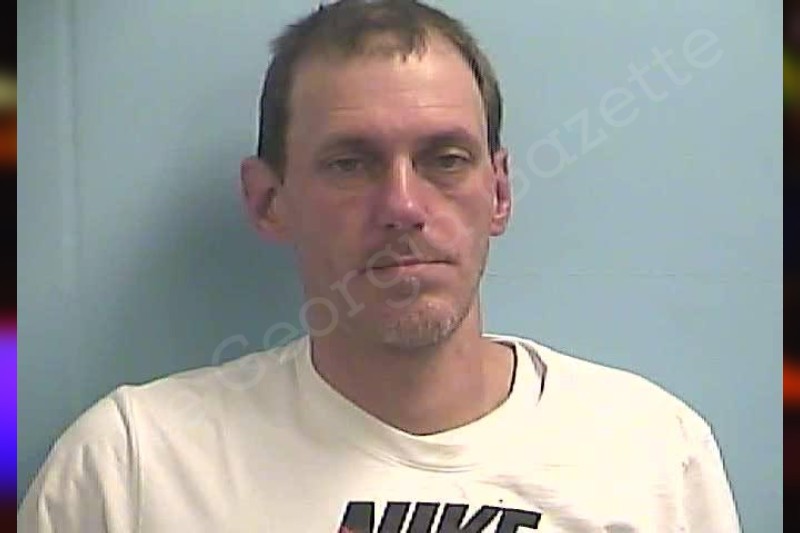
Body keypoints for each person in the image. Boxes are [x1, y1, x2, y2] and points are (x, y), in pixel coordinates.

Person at [19, 1, 741, 531]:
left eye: (445, 159)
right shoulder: (133, 469)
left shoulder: (652, 455)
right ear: (269, 201)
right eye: (350, 163)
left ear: (498, 192)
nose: (403, 205)